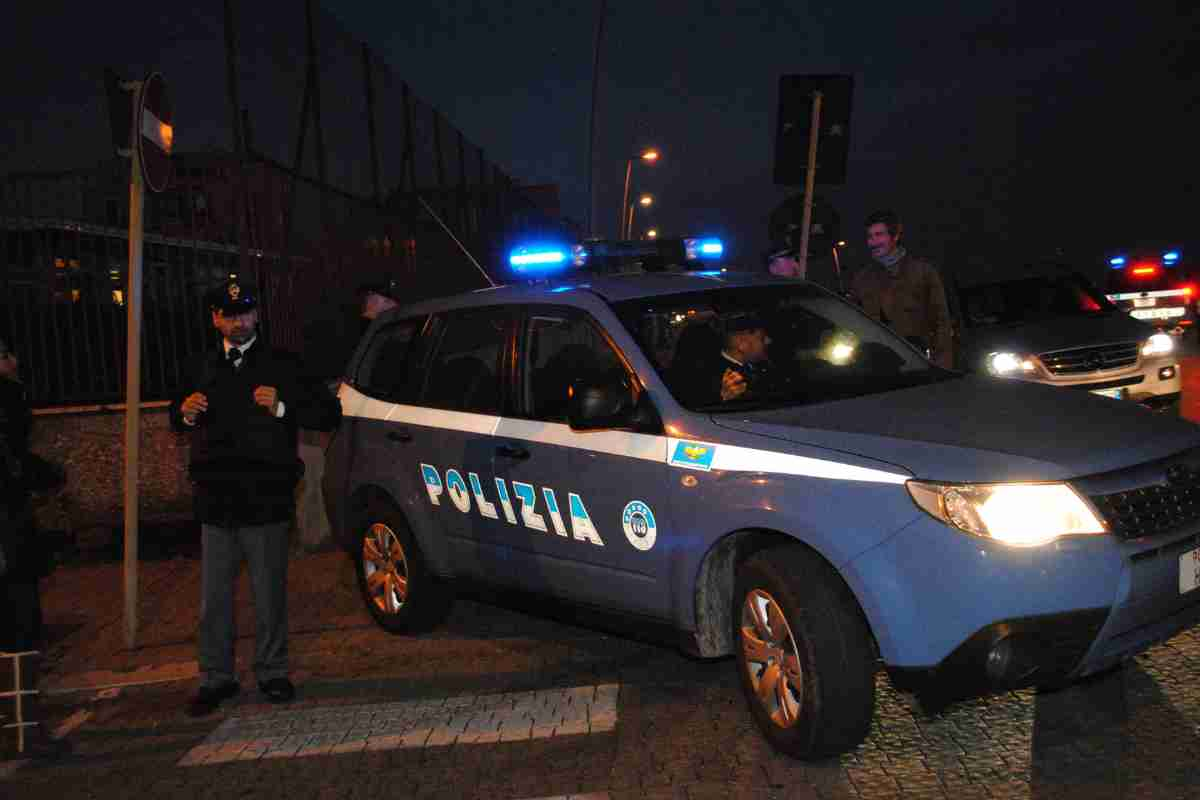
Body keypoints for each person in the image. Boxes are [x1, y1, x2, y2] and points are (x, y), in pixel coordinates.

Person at [172, 280, 341, 716]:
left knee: (268, 593)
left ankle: (271, 671)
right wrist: (183, 414)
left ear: (257, 316)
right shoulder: (199, 363)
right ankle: (216, 677)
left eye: (245, 312)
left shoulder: (281, 363)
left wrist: (284, 408)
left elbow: (328, 412)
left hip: (265, 495)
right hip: (216, 496)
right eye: (229, 314)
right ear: (215, 319)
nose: (238, 321)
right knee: (214, 599)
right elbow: (178, 414)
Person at [0, 338, 69, 759]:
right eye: (5, 354)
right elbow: (12, 463)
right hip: (7, 535)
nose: (14, 360)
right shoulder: (6, 397)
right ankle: (23, 732)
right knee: (19, 627)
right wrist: (46, 474)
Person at [849, 210, 954, 369]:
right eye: (870, 237)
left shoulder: (923, 271)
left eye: (879, 235)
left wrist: (942, 363)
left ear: (895, 236)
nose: (873, 241)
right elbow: (855, 323)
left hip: (921, 362)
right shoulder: (861, 279)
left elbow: (941, 321)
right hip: (881, 366)